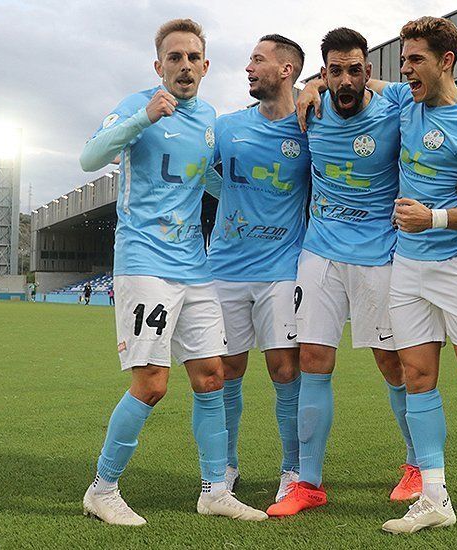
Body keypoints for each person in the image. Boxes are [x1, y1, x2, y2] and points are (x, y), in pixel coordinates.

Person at [298, 16, 457, 533]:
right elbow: (360, 81)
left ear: (445, 62)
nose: (404, 70)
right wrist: (313, 83)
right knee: (417, 378)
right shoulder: (405, 100)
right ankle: (434, 498)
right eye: (403, 60)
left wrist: (434, 217)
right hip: (407, 263)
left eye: (415, 60)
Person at [78, 18, 266, 526]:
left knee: (213, 376)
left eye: (192, 58)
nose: (184, 66)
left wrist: (260, 203)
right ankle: (103, 487)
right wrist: (141, 118)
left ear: (206, 66)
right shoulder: (136, 105)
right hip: (145, 263)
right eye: (174, 57)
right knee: (153, 384)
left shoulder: (208, 117)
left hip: (194, 265)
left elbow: (208, 179)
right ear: (158, 65)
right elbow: (89, 158)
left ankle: (213, 489)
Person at [267, 28, 423, 518]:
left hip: (379, 254)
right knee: (313, 358)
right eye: (335, 70)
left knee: (390, 362)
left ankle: (416, 465)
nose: (346, 80)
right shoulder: (309, 112)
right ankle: (308, 483)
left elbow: (442, 98)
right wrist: (309, 87)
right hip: (319, 252)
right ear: (325, 72)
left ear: (368, 71)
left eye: (355, 69)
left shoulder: (395, 104)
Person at [204, 34, 310, 507]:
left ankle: (292, 469)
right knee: (227, 370)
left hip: (282, 268)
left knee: (285, 369)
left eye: (258, 60)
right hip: (224, 268)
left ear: (286, 70)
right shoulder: (226, 127)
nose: (248, 67)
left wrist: (318, 89)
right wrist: (231, 198)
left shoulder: (310, 126)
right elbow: (202, 175)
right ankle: (226, 465)